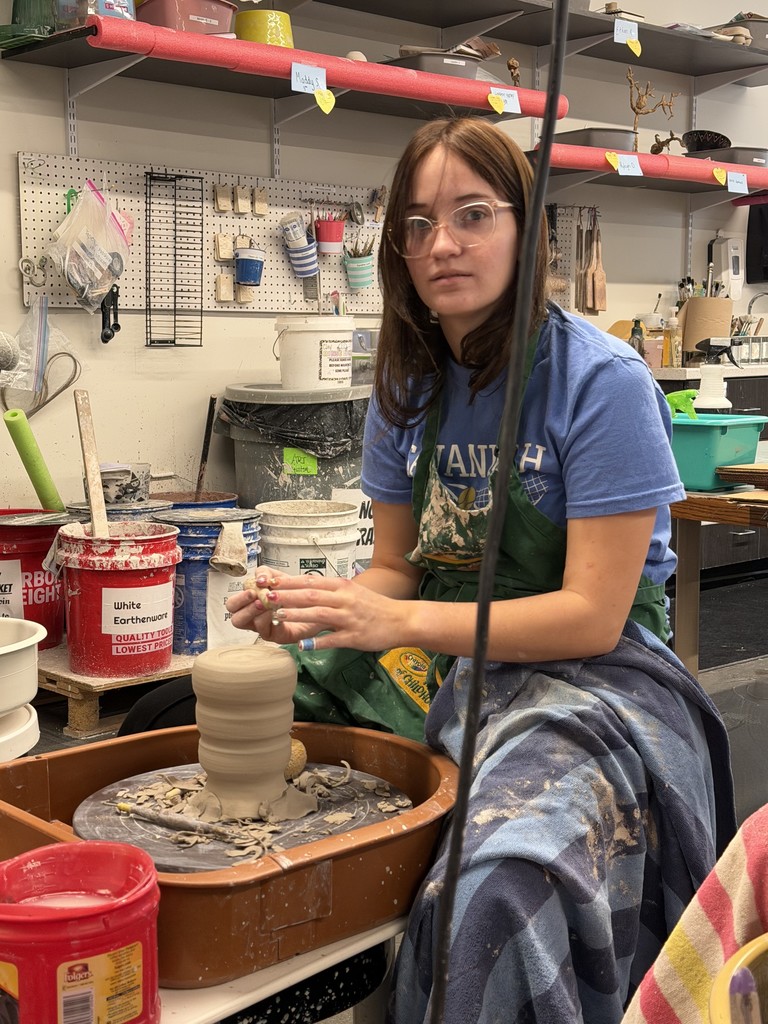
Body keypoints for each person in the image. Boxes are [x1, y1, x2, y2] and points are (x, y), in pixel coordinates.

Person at [120, 116, 736, 1023]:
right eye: (416, 224)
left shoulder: (599, 382)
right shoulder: (408, 384)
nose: (441, 243)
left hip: (589, 668)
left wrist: (394, 623)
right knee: (168, 713)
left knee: (498, 885)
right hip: (443, 642)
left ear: (525, 230)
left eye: (473, 215)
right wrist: (318, 606)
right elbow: (399, 569)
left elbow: (591, 617)